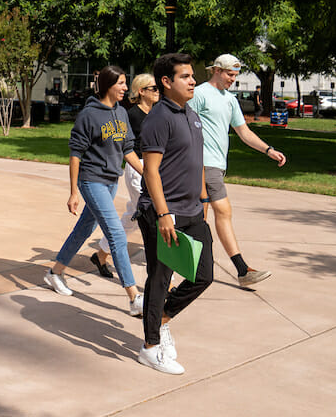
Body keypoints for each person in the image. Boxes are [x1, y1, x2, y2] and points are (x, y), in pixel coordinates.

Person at [43, 65, 144, 317]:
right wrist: (73, 191)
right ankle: (134, 298)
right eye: (121, 83)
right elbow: (75, 154)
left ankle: (54, 272)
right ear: (108, 85)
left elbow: (128, 150)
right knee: (117, 235)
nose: (124, 88)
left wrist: (150, 175)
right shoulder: (89, 115)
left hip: (111, 181)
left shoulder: (122, 113)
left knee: (84, 228)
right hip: (91, 181)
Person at [136, 52, 214, 375]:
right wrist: (163, 213)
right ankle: (150, 347)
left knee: (204, 274)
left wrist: (204, 199)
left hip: (193, 209)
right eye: (185, 76)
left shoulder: (191, 115)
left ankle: (162, 317)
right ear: (166, 82)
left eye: (193, 75)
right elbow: (150, 172)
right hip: (162, 212)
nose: (193, 80)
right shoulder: (159, 118)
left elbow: (196, 162)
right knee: (160, 277)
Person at [189, 53, 287, 288]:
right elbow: (185, 127)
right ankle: (241, 270)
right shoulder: (200, 94)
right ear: (216, 70)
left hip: (217, 166)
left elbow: (244, 132)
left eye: (235, 75)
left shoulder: (229, 100)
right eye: (230, 74)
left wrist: (268, 150)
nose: (233, 79)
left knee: (199, 218)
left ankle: (192, 267)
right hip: (203, 164)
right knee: (221, 211)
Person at [93, 73, 159, 276]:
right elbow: (120, 144)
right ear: (141, 91)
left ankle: (102, 254)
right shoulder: (131, 115)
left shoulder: (157, 113)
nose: (158, 91)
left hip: (154, 166)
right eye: (153, 88)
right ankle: (164, 275)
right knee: (153, 215)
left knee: (133, 214)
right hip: (136, 166)